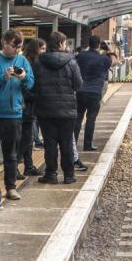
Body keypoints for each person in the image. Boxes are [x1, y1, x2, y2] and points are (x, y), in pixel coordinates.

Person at [0, 28, 34, 202]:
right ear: (4, 42)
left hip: (14, 114)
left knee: (11, 154)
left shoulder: (22, 60)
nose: (17, 50)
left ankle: (11, 187)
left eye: (20, 47)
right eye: (14, 46)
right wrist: (3, 77)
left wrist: (23, 77)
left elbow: (31, 83)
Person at [33, 30, 82, 185]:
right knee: (67, 142)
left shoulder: (39, 61)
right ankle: (68, 175)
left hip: (45, 109)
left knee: (50, 143)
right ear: (61, 44)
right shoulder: (71, 61)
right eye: (65, 42)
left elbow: (34, 84)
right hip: (67, 110)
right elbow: (78, 84)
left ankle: (51, 174)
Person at [74, 35, 116, 151]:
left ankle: (73, 145)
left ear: (89, 43)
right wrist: (110, 50)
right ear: (98, 45)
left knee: (78, 118)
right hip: (95, 92)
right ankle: (87, 145)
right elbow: (114, 62)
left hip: (80, 91)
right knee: (91, 119)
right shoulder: (103, 58)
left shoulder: (81, 56)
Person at [17, 37, 45, 180]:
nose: (44, 51)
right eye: (42, 48)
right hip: (27, 103)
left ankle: (28, 165)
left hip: (28, 103)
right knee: (25, 136)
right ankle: (16, 163)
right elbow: (29, 84)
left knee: (27, 137)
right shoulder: (31, 63)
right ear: (36, 48)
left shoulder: (29, 61)